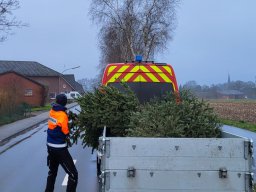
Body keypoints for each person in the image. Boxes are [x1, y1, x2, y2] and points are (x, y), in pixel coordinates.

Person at [45, 94, 78, 192]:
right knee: (73, 175)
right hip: (59, 148)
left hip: (50, 146)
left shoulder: (52, 111)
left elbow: (56, 123)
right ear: (65, 102)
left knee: (52, 172)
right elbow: (66, 132)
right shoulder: (63, 116)